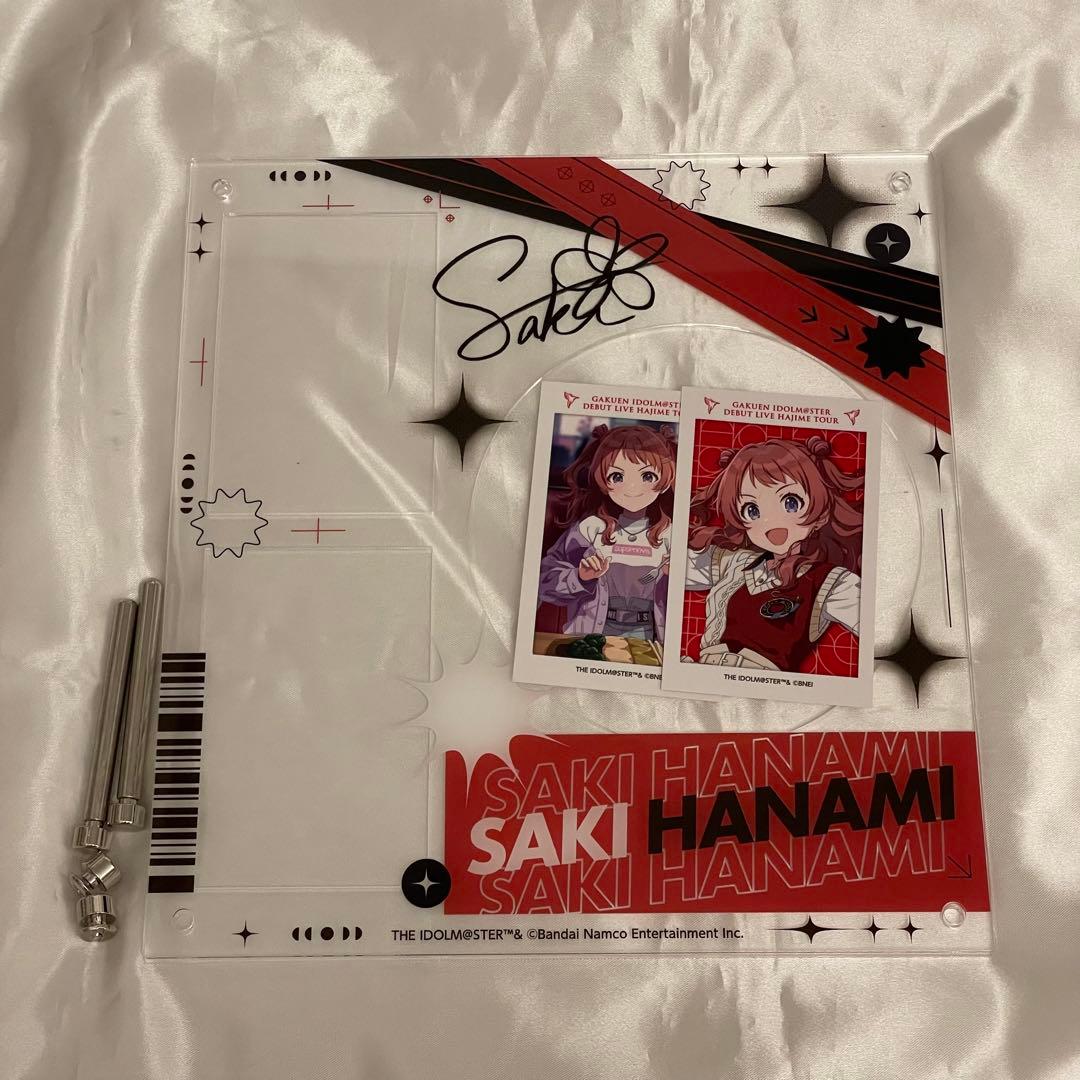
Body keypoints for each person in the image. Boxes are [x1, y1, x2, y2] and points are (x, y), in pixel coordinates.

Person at [684, 435, 863, 672]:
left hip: (763, 686)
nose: (771, 522)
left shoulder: (830, 582)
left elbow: (879, 628)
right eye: (752, 510)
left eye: (791, 503)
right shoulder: (736, 563)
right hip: (704, 673)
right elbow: (674, 567)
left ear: (820, 514)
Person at [538, 424, 676, 647]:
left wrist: (676, 578)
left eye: (648, 476)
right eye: (617, 476)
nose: (632, 488)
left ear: (666, 481)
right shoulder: (590, 530)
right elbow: (545, 582)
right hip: (591, 635)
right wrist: (580, 577)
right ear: (602, 481)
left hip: (652, 639)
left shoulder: (672, 536)